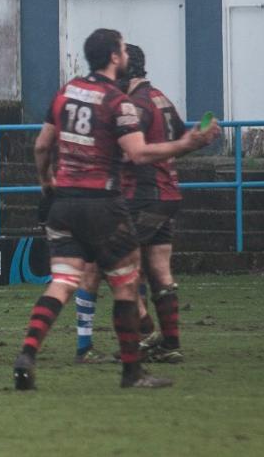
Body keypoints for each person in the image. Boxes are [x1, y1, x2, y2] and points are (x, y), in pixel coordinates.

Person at [13, 28, 219, 391]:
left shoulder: (66, 91)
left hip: (63, 204)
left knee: (62, 282)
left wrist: (46, 183)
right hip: (104, 205)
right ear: (113, 55)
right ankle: (132, 372)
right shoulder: (117, 101)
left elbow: (42, 146)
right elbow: (137, 153)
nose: (125, 54)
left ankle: (28, 354)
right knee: (125, 283)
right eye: (122, 48)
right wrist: (186, 144)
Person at [73, 44, 184, 364]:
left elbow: (126, 151)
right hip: (167, 193)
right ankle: (170, 344)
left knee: (103, 263)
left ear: (126, 72)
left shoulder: (133, 106)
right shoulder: (160, 97)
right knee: (159, 269)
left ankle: (146, 334)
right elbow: (182, 136)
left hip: (141, 195)